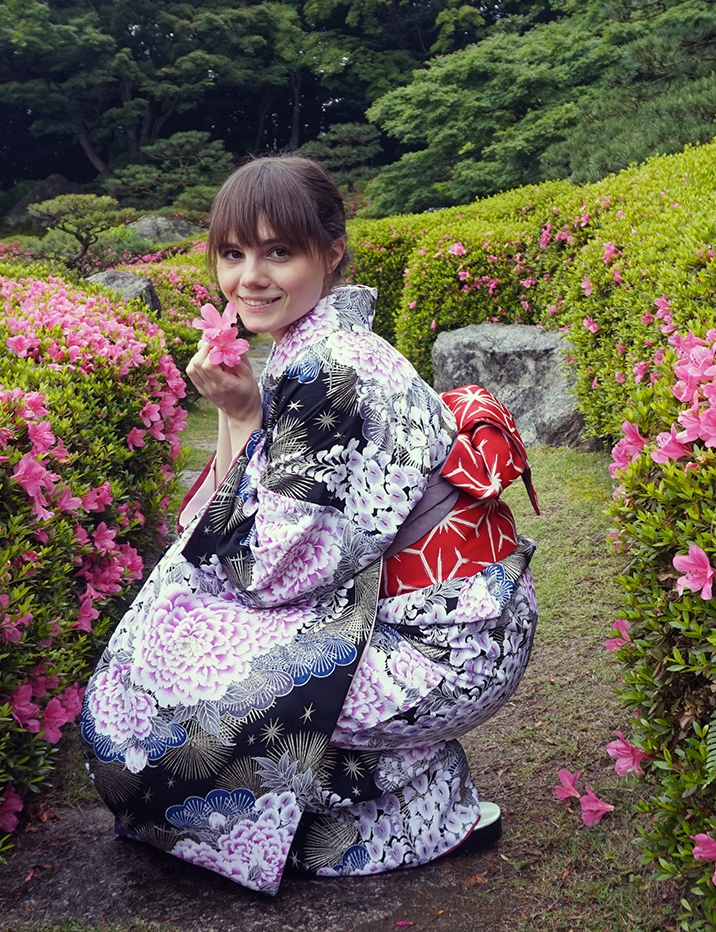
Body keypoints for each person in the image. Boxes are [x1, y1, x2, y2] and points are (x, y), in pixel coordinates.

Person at [79, 155, 539, 895]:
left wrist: (236, 420)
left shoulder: (331, 372)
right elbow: (258, 515)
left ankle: (401, 814)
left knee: (187, 670)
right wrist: (239, 412)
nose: (250, 278)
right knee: (179, 620)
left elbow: (268, 573)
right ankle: (403, 798)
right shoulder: (312, 350)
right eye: (233, 254)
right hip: (446, 607)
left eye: (279, 252)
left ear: (331, 252)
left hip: (442, 640)